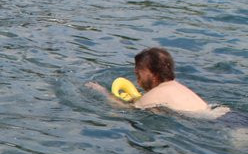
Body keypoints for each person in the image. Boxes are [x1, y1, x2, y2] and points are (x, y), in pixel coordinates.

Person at [88, 48, 223, 116]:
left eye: (139, 71)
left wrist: (103, 92)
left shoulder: (156, 94)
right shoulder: (177, 87)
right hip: (223, 114)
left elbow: (127, 110)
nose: (136, 73)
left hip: (219, 124)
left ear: (153, 73)